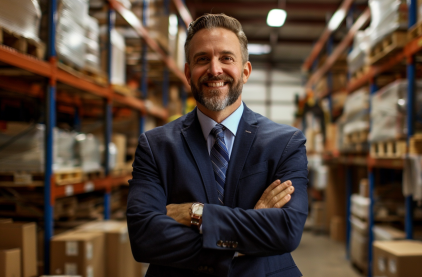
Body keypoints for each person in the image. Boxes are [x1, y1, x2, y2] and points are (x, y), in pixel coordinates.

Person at [127, 13, 308, 277]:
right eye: (202, 59)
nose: (214, 70)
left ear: (245, 71)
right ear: (189, 72)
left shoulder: (285, 143)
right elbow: (144, 237)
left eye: (226, 58)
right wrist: (252, 230)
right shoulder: (155, 146)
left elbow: (286, 231)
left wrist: (196, 213)